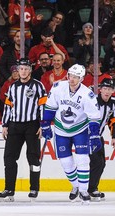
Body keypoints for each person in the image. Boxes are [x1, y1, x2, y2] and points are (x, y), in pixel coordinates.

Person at [41, 64, 102, 203]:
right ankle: (75, 186)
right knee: (66, 162)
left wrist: (94, 134)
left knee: (82, 160)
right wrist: (45, 125)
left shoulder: (88, 94)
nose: (72, 79)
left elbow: (93, 117)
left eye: (76, 77)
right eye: (70, 76)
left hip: (80, 129)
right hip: (61, 129)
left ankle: (83, 190)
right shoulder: (58, 88)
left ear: (81, 78)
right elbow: (50, 107)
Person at [0, 58, 47, 202]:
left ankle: (34, 188)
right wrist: (5, 125)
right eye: (21, 69)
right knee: (9, 158)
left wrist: (43, 125)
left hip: (32, 125)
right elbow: (8, 107)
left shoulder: (38, 86)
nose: (23, 71)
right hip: (14, 125)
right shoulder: (13, 87)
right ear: (17, 71)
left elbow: (43, 106)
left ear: (30, 70)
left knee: (33, 158)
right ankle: (9, 189)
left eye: (26, 69)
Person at [88, 78, 115, 201]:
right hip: (86, 137)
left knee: (101, 163)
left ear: (113, 91)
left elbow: (113, 121)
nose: (107, 91)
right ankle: (90, 189)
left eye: (110, 89)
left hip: (98, 137)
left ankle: (91, 188)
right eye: (105, 88)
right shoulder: (92, 101)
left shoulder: (113, 103)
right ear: (100, 89)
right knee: (97, 163)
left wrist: (114, 136)